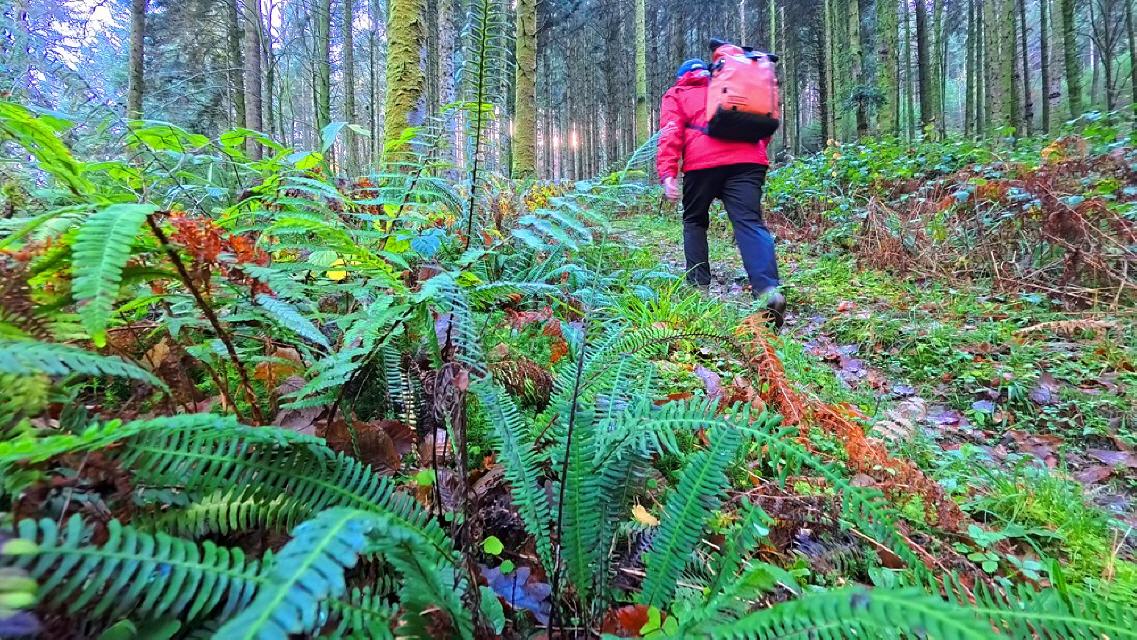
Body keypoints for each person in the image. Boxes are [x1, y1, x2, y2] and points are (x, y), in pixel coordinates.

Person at [656, 57, 786, 327]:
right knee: (749, 222)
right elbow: (763, 123)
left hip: (702, 165)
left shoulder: (678, 93)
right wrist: (751, 151)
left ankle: (698, 290)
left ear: (682, 76)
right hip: (748, 162)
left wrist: (668, 174)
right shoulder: (732, 86)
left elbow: (671, 134)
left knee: (694, 221)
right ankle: (768, 290)